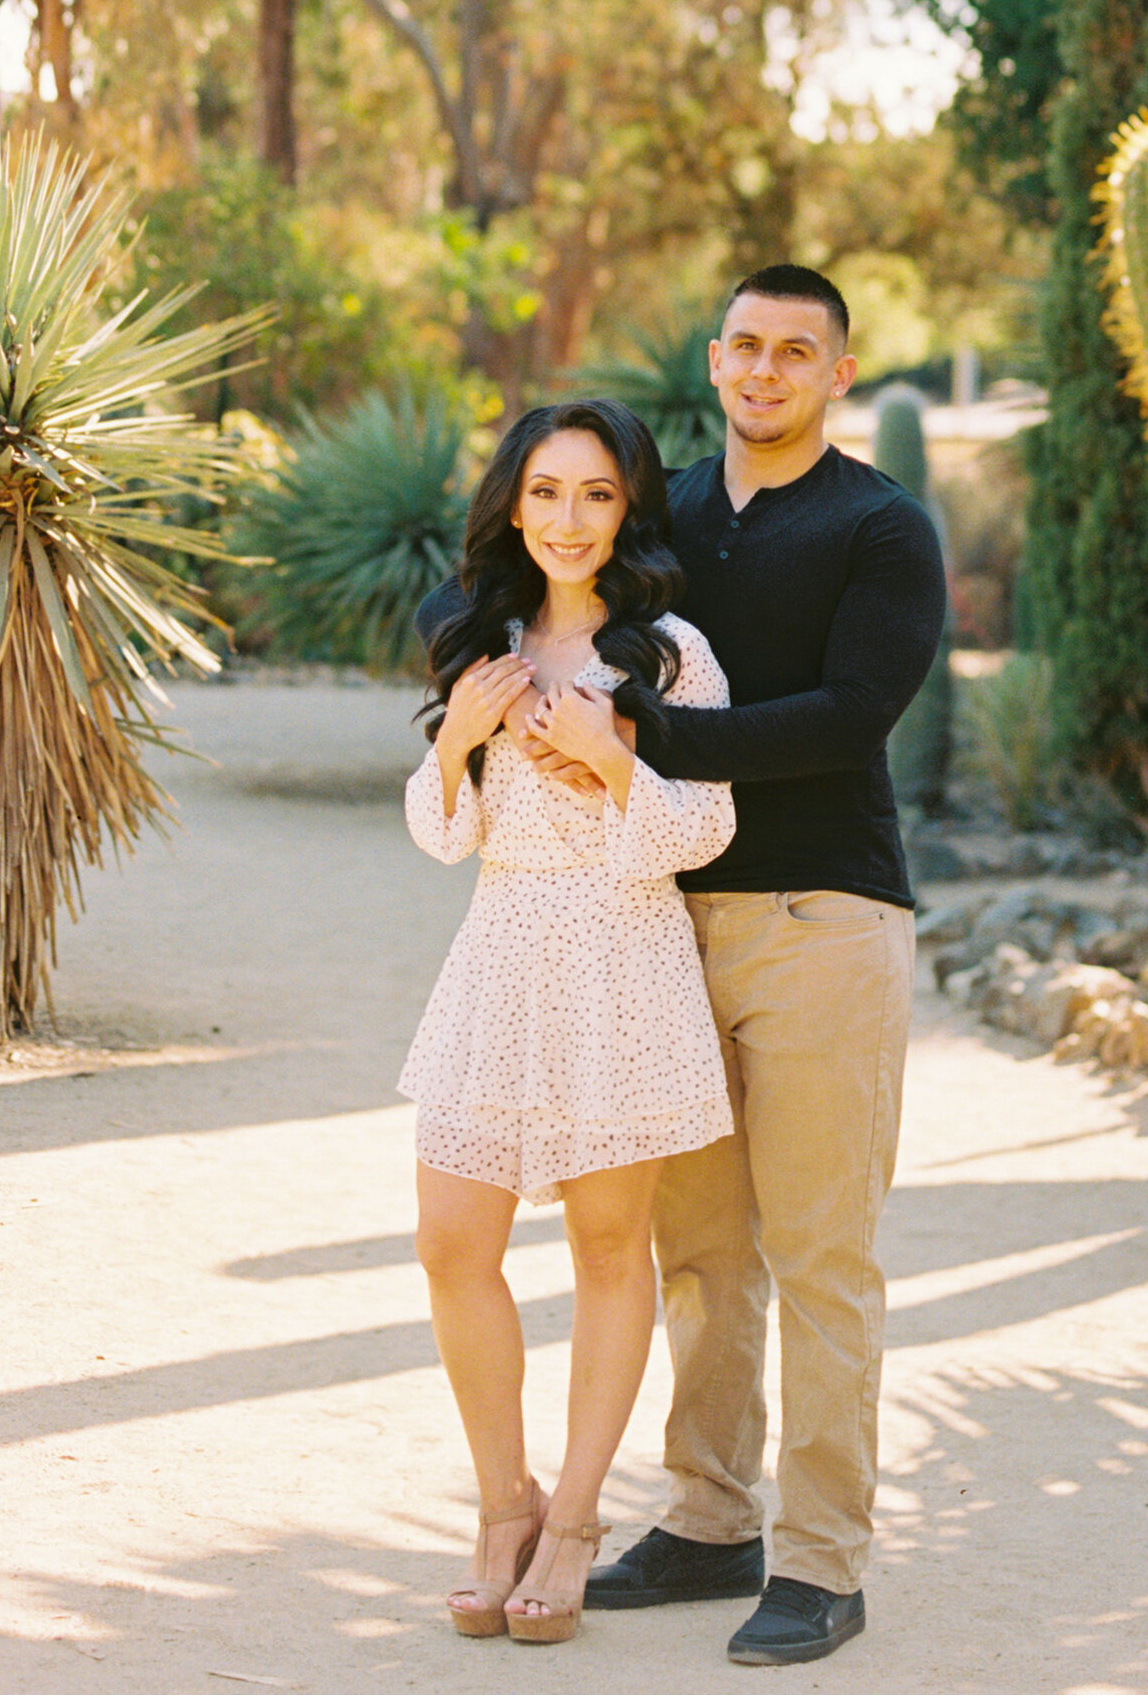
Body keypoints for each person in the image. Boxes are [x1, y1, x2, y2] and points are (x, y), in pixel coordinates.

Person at [571, 265, 947, 1669]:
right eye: (745, 345)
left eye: (798, 351)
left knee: (820, 1254)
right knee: (703, 1251)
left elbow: (851, 716)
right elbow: (522, 584)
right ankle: (708, 1521)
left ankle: (824, 1564)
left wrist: (648, 745)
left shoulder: (880, 526)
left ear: (837, 373)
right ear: (713, 359)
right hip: (664, 919)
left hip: (823, 921)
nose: (766, 369)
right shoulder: (655, 516)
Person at [401, 396, 738, 1646]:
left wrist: (607, 756)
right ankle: (505, 1502)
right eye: (546, 490)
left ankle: (580, 1514)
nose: (568, 518)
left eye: (596, 494)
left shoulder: (670, 655)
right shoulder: (475, 638)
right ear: (513, 501)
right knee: (450, 1241)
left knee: (610, 1248)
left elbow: (706, 827)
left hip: (620, 957)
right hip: (498, 954)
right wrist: (464, 742)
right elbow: (443, 833)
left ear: (628, 508)